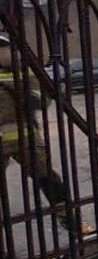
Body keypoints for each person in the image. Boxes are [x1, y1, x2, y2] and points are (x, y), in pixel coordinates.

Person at [0, 34, 71, 217]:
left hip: (27, 139)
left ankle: (70, 220)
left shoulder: (25, 71)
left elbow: (42, 100)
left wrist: (16, 87)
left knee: (48, 179)